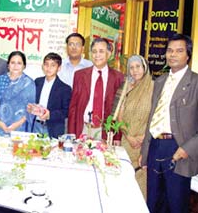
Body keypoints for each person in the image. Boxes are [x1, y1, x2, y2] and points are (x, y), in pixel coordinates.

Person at [140, 34, 198, 213]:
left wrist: (186, 149)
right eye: (170, 50)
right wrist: (145, 151)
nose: (173, 55)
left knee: (176, 204)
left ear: (187, 55)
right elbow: (152, 117)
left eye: (179, 51)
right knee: (154, 203)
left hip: (178, 150)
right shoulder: (160, 81)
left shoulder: (195, 82)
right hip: (155, 146)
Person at [112, 55, 154, 200]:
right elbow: (119, 116)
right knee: (124, 184)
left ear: (145, 68)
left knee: (141, 185)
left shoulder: (154, 88)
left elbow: (157, 116)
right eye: (131, 67)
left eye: (138, 66)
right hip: (127, 142)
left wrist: (143, 138)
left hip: (145, 144)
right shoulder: (126, 88)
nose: (135, 70)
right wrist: (129, 137)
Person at [68, 37, 124, 141]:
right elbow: (73, 108)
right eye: (94, 51)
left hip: (106, 132)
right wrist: (71, 134)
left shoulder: (118, 77)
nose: (97, 55)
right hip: (83, 129)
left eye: (101, 51)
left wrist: (117, 137)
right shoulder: (80, 75)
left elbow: (119, 109)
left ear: (109, 53)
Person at [0, 51, 36, 136]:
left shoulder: (29, 83)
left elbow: (31, 109)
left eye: (19, 63)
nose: (15, 66)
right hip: (0, 128)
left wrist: (16, 125)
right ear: (8, 65)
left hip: (20, 130)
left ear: (24, 66)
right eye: (13, 62)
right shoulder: (1, 80)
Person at [28, 52, 72, 138]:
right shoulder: (37, 82)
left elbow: (66, 112)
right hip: (35, 126)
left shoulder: (65, 88)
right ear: (43, 66)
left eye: (53, 65)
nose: (48, 68)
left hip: (53, 128)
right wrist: (31, 108)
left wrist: (50, 115)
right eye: (46, 64)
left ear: (59, 68)